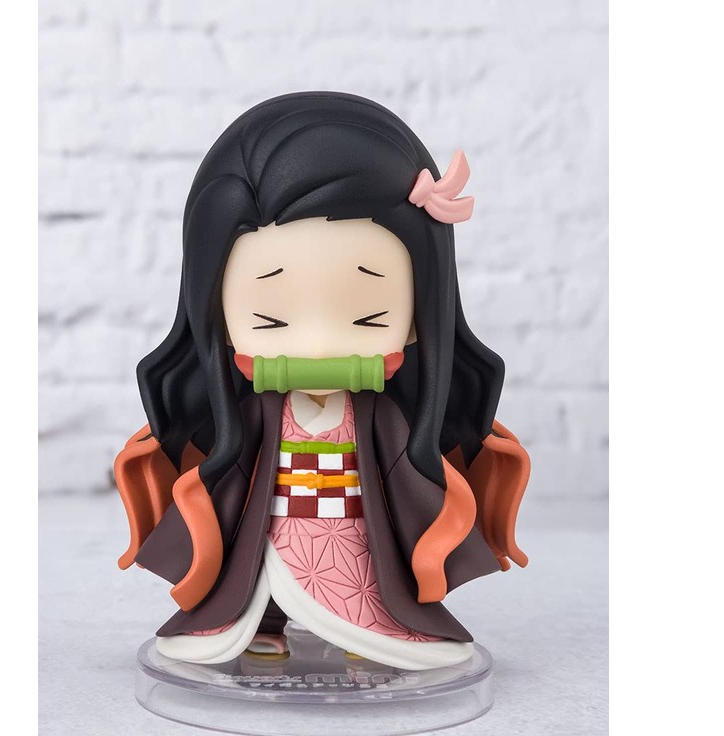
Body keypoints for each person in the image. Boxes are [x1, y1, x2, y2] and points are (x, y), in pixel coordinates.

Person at [115, 92, 530, 670]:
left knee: (364, 572)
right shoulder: (248, 419)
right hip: (273, 519)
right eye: (269, 319)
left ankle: (369, 622)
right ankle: (264, 620)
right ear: (218, 314)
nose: (315, 345)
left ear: (418, 314)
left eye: (370, 317)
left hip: (353, 529)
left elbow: (406, 476)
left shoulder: (381, 421)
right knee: (253, 563)